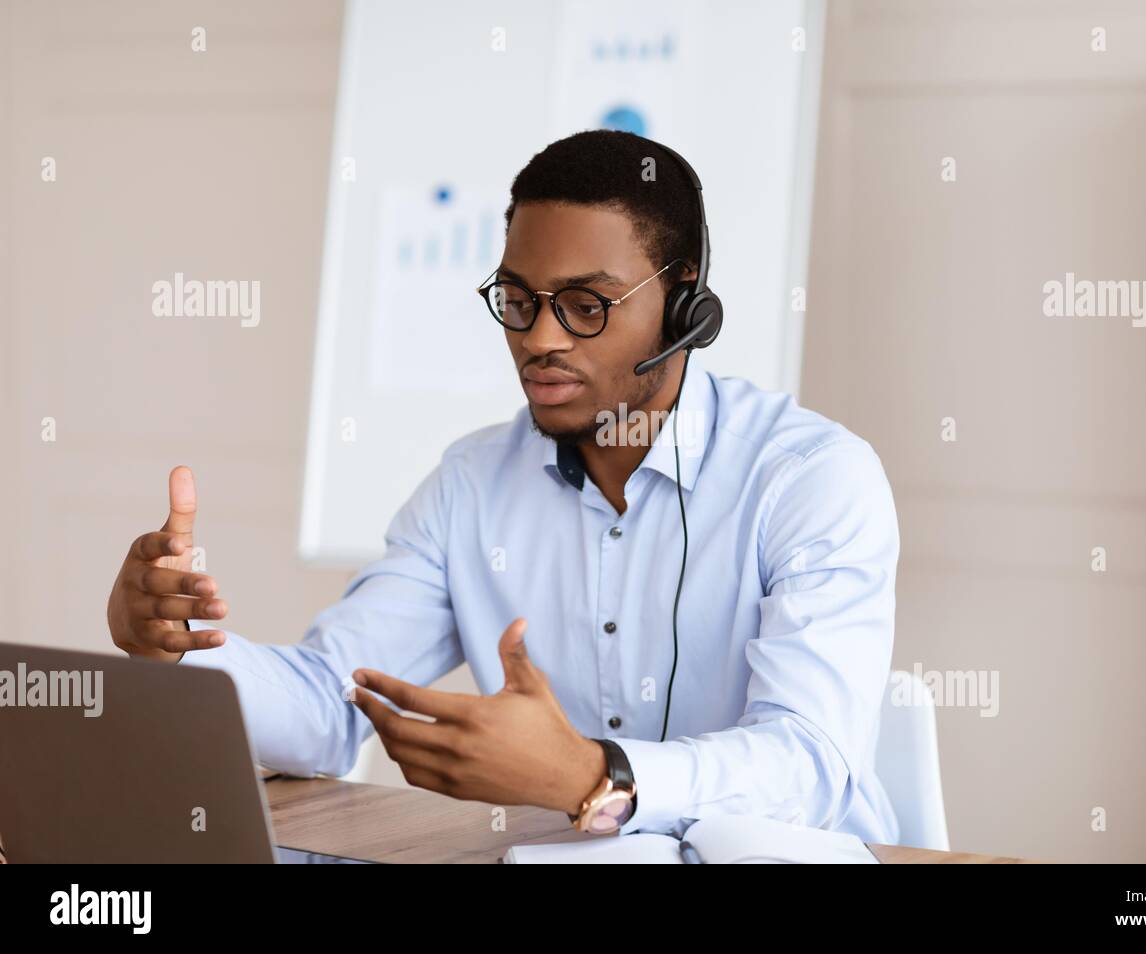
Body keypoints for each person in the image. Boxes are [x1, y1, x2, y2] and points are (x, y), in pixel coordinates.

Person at [105, 129, 901, 842]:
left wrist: (596, 775)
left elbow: (810, 766)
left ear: (685, 301)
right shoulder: (472, 484)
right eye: (518, 301)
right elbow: (326, 705)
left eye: (586, 306)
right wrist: (176, 650)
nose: (539, 340)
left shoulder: (810, 480)